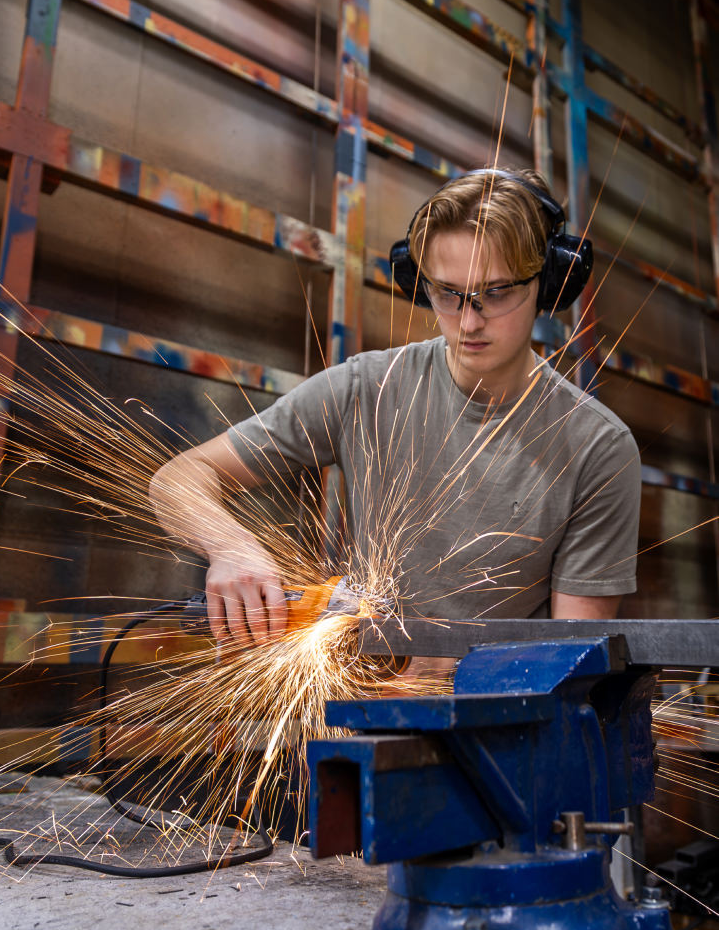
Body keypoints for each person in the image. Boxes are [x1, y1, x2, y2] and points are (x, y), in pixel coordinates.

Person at [150, 168, 641, 649]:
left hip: (510, 720)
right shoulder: (367, 388)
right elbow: (178, 477)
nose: (469, 321)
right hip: (366, 711)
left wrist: (443, 670)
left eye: (496, 293)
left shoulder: (597, 448)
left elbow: (572, 660)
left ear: (550, 284)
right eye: (448, 293)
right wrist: (230, 547)